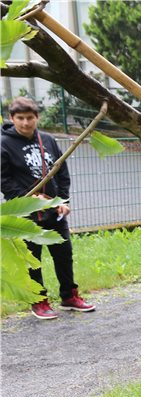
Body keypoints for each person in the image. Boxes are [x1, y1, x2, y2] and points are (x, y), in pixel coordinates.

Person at [1, 97, 96, 320]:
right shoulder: (3, 144)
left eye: (30, 118)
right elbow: (3, 180)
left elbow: (61, 172)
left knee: (64, 254)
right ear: (12, 118)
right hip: (25, 213)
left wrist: (62, 201)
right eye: (21, 118)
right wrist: (28, 198)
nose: (26, 123)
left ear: (37, 118)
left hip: (54, 211)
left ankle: (69, 297)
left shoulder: (48, 140)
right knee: (32, 259)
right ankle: (39, 301)